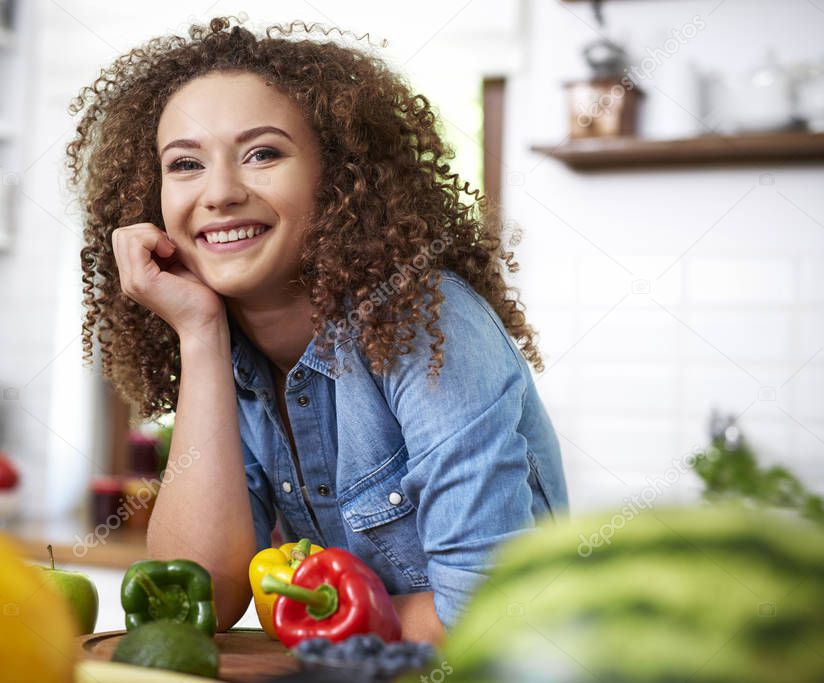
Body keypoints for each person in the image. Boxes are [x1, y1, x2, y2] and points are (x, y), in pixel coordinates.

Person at [65, 16, 568, 643]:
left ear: (339, 179)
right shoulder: (231, 355)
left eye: (263, 154)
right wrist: (198, 334)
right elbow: (194, 598)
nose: (219, 193)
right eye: (186, 163)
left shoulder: (424, 320)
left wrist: (313, 624)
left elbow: (491, 615)